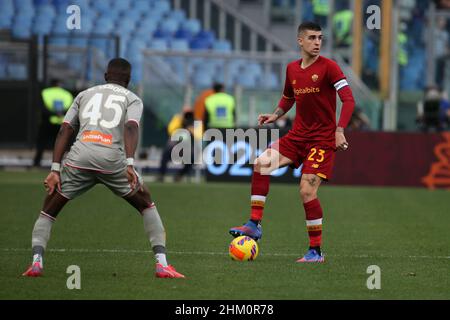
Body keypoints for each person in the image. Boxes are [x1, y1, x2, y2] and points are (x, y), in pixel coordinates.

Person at [22, 58, 185, 278]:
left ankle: (36, 262)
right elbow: (130, 127)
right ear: (128, 80)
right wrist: (129, 163)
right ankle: (162, 265)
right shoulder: (133, 99)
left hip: (79, 158)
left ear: (106, 75)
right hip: (111, 160)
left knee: (49, 209)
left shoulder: (84, 94)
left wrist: (54, 169)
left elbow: (65, 130)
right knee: (146, 204)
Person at [229, 22, 355, 263]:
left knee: (307, 191)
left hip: (322, 139)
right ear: (300, 41)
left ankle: (315, 252)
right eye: (312, 38)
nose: (317, 42)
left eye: (320, 38)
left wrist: (339, 131)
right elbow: (288, 97)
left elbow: (348, 100)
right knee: (261, 163)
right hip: (297, 136)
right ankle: (254, 225)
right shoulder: (292, 69)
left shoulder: (330, 67)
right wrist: (276, 115)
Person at [33, 79, 73, 167]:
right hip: (62, 123)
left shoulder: (45, 92)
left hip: (47, 121)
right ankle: (62, 164)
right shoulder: (67, 94)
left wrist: (54, 114)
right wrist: (60, 114)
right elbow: (71, 110)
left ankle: (36, 163)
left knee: (41, 144)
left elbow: (42, 109)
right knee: (63, 145)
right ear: (59, 84)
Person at [158, 105, 195, 182]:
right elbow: (170, 130)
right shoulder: (177, 119)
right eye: (186, 113)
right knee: (166, 153)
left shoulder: (194, 122)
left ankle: (180, 175)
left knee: (193, 158)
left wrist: (190, 127)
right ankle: (161, 175)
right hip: (175, 145)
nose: (187, 116)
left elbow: (198, 135)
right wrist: (181, 121)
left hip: (186, 147)